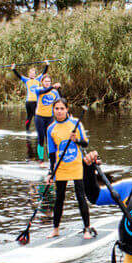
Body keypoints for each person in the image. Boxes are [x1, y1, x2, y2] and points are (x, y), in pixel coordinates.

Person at [44, 98, 96, 240]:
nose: (59, 111)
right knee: (59, 198)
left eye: (62, 108)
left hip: (76, 165)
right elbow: (52, 153)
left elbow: (85, 143)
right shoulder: (51, 129)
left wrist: (76, 140)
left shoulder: (75, 124)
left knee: (80, 196)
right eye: (57, 109)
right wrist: (51, 172)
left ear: (67, 109)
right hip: (61, 167)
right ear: (53, 110)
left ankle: (86, 229)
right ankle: (55, 229)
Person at [33, 73, 62, 164]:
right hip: (39, 117)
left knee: (50, 139)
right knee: (41, 138)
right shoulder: (38, 89)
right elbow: (44, 92)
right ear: (42, 82)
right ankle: (41, 160)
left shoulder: (54, 92)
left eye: (49, 81)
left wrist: (59, 89)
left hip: (50, 118)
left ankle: (51, 159)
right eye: (46, 81)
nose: (47, 83)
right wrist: (53, 86)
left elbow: (59, 102)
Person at [10, 64, 42, 128]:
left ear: (35, 74)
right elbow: (18, 75)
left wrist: (47, 64)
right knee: (31, 117)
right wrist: (13, 69)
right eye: (31, 73)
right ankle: (28, 130)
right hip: (29, 102)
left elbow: (44, 72)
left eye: (33, 73)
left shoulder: (38, 79)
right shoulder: (26, 80)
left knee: (36, 116)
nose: (32, 74)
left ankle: (37, 130)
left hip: (35, 101)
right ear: (29, 74)